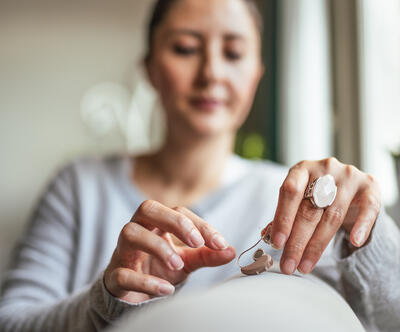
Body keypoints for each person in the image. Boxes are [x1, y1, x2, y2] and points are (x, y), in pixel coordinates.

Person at [0, 0, 399, 331]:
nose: (211, 73)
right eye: (186, 49)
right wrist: (107, 300)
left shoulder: (299, 205)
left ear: (257, 73)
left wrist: (365, 231)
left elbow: (388, 318)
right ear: (150, 69)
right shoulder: (79, 186)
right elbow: (12, 323)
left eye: (234, 53)